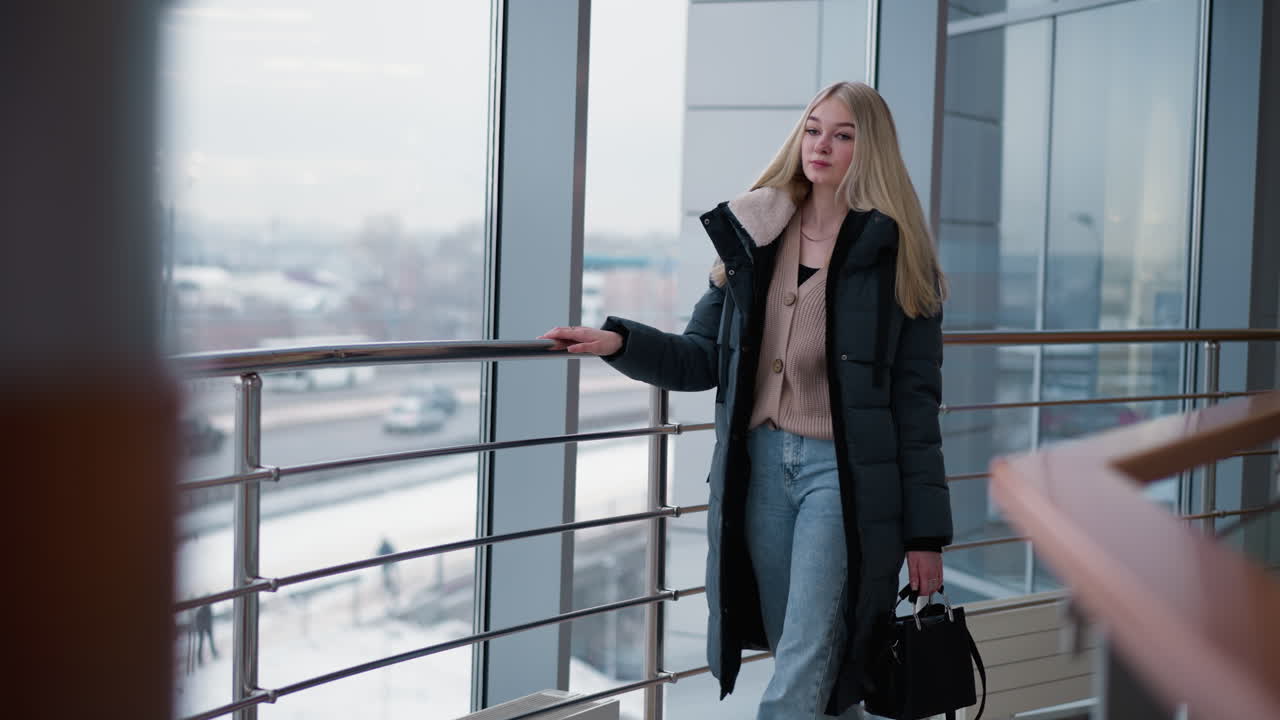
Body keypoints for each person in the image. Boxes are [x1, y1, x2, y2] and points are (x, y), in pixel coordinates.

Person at [541, 81, 952, 720]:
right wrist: (618, 341)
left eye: (844, 135)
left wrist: (926, 535)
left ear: (868, 151)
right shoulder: (753, 240)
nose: (823, 145)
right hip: (759, 471)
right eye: (814, 128)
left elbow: (917, 409)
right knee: (807, 652)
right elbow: (702, 358)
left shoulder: (896, 258)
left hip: (840, 480)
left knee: (808, 659)